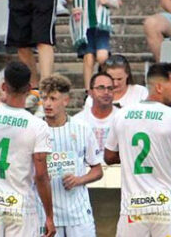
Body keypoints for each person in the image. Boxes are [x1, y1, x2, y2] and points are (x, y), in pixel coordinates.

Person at [104, 63, 171, 236]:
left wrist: (130, 154)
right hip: (167, 206)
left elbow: (109, 157)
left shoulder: (122, 114)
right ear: (158, 86)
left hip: (133, 207)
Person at [0, 61, 56, 236]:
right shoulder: (37, 125)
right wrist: (49, 216)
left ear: (3, 86)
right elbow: (41, 175)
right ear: (30, 88)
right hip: (20, 206)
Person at [40, 74, 103, 236]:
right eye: (44, 98)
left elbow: (97, 170)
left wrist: (79, 180)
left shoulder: (82, 128)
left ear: (66, 101)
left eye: (53, 99)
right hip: (46, 215)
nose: (47, 103)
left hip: (79, 215)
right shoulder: (35, 129)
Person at [65, 0, 121, 91]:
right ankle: (88, 90)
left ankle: (103, 81)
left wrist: (107, 1)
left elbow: (118, 1)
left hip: (100, 25)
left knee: (102, 56)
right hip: (84, 25)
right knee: (88, 58)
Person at [81, 54, 148, 111]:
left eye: (119, 79)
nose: (115, 83)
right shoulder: (94, 97)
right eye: (112, 79)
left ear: (127, 75)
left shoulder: (140, 92)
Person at [74, 72, 116, 153]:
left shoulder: (121, 117)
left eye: (110, 88)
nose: (106, 92)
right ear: (90, 92)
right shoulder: (77, 121)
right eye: (101, 88)